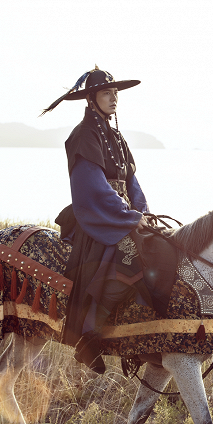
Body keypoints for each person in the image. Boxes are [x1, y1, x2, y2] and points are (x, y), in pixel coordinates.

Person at [41, 66, 151, 374]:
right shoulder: (83, 135)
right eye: (107, 93)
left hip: (124, 215)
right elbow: (93, 186)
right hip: (98, 217)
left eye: (115, 92)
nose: (114, 98)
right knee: (125, 259)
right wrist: (128, 217)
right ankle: (88, 334)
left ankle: (134, 335)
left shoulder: (116, 136)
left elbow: (132, 183)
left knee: (157, 251)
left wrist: (142, 213)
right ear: (91, 99)